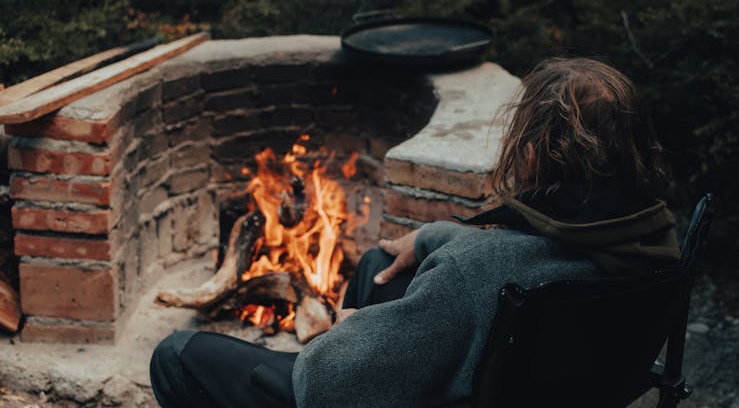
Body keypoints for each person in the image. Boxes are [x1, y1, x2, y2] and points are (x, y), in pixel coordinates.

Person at [149, 57, 680, 408]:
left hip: (381, 388)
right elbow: (535, 253)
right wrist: (431, 239)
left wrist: (346, 333)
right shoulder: (656, 243)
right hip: (555, 385)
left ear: (535, 151)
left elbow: (336, 383)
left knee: (177, 354)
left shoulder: (474, 275)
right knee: (378, 269)